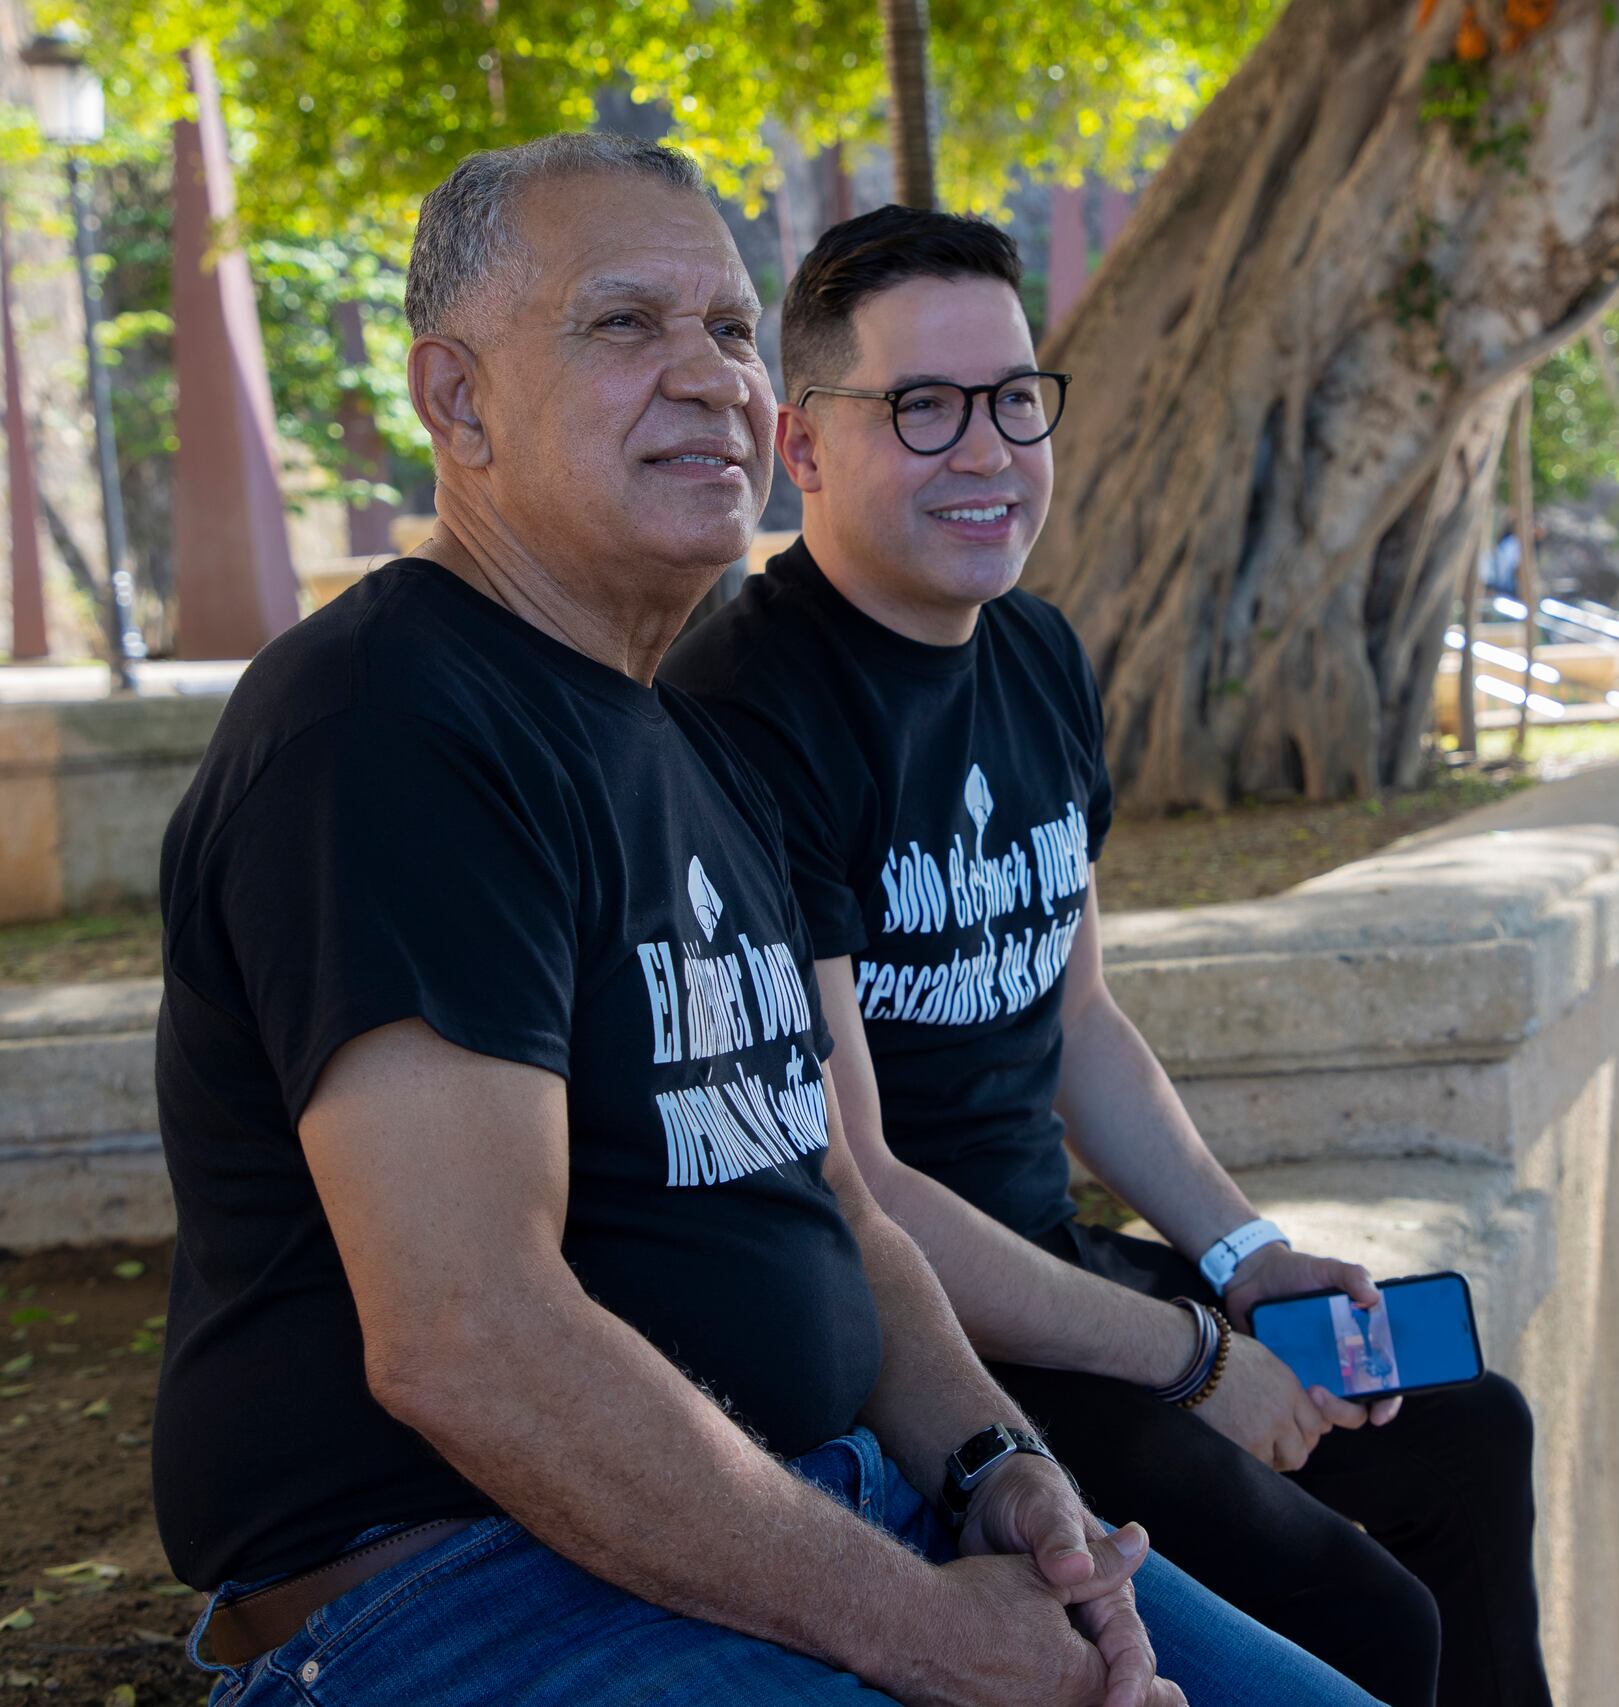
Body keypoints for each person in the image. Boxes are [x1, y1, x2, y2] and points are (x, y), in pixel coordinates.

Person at [148, 135, 1379, 1707]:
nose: (711, 377)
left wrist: (996, 1465)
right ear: (457, 402)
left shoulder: (685, 745)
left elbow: (838, 1203)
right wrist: (934, 1633)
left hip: (814, 1505)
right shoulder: (388, 728)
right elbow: (470, 1336)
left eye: (731, 329)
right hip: (466, 1592)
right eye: (623, 324)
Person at [664, 206, 1554, 1707]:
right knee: (1367, 1618)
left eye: (1014, 398)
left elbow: (1079, 1021)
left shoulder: (1039, 655)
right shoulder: (748, 710)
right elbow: (858, 1181)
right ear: (802, 446)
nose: (988, 450)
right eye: (923, 407)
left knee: (1471, 1435)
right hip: (916, 1348)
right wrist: (1191, 1358)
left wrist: (1246, 1262)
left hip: (1061, 1271)